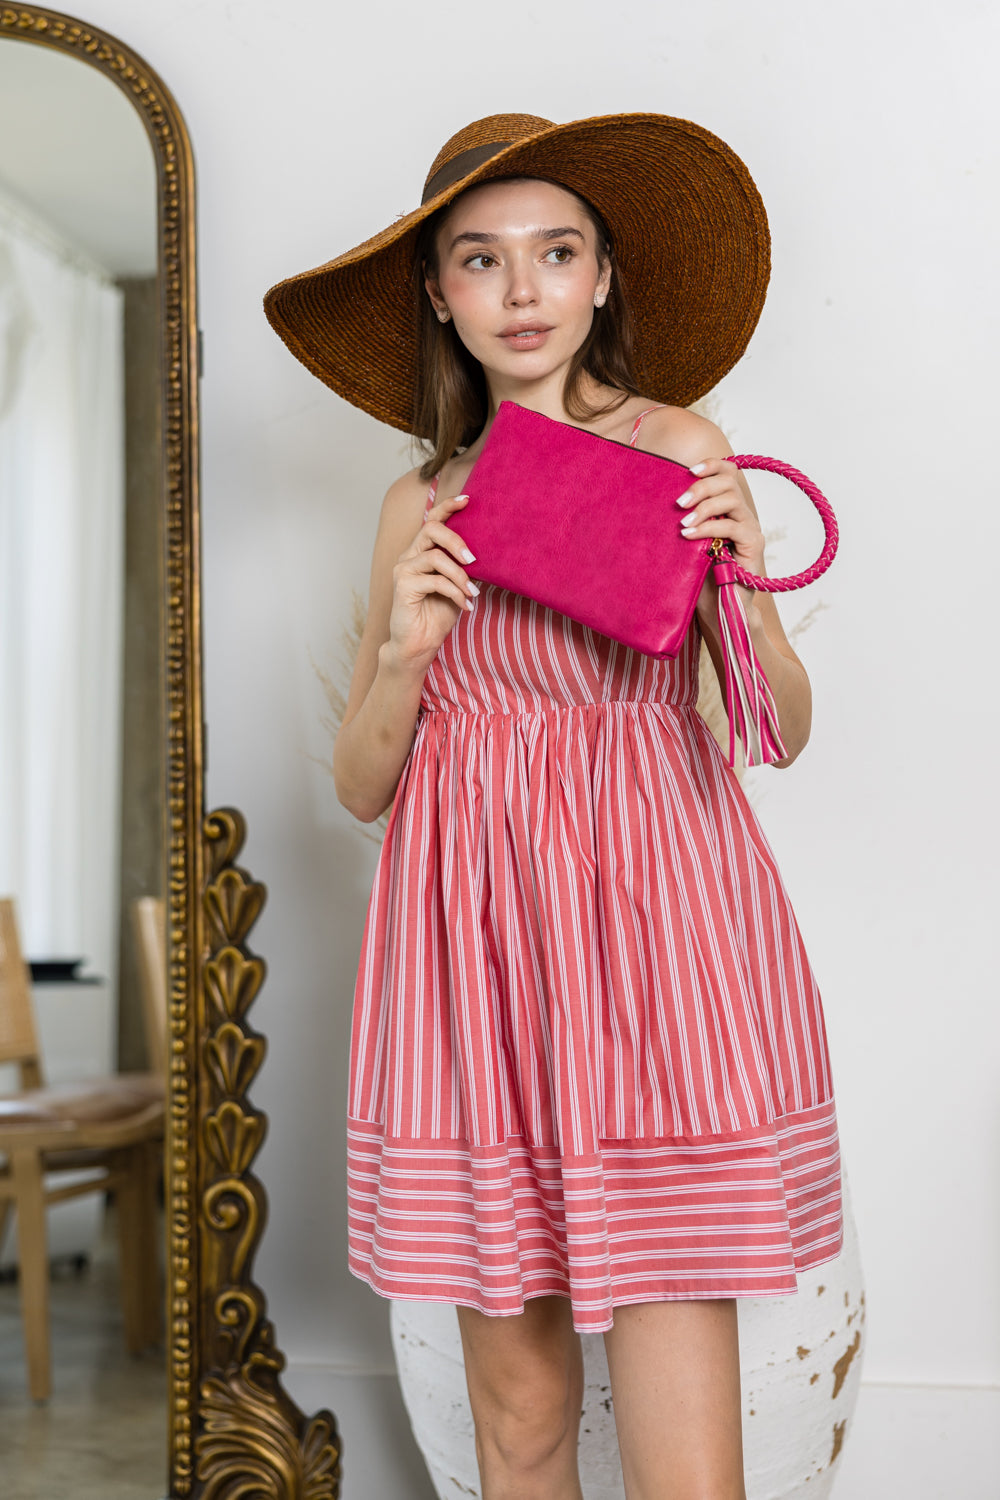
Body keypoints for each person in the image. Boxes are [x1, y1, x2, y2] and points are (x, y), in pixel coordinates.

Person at [265, 112, 843, 1500]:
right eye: (481, 259)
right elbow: (361, 785)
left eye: (555, 253)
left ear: (601, 281)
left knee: (684, 1453)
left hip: (654, 938)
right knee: (518, 1420)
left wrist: (747, 586)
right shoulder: (420, 504)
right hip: (471, 955)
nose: (522, 293)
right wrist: (403, 653)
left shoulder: (675, 447)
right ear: (439, 293)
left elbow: (778, 733)